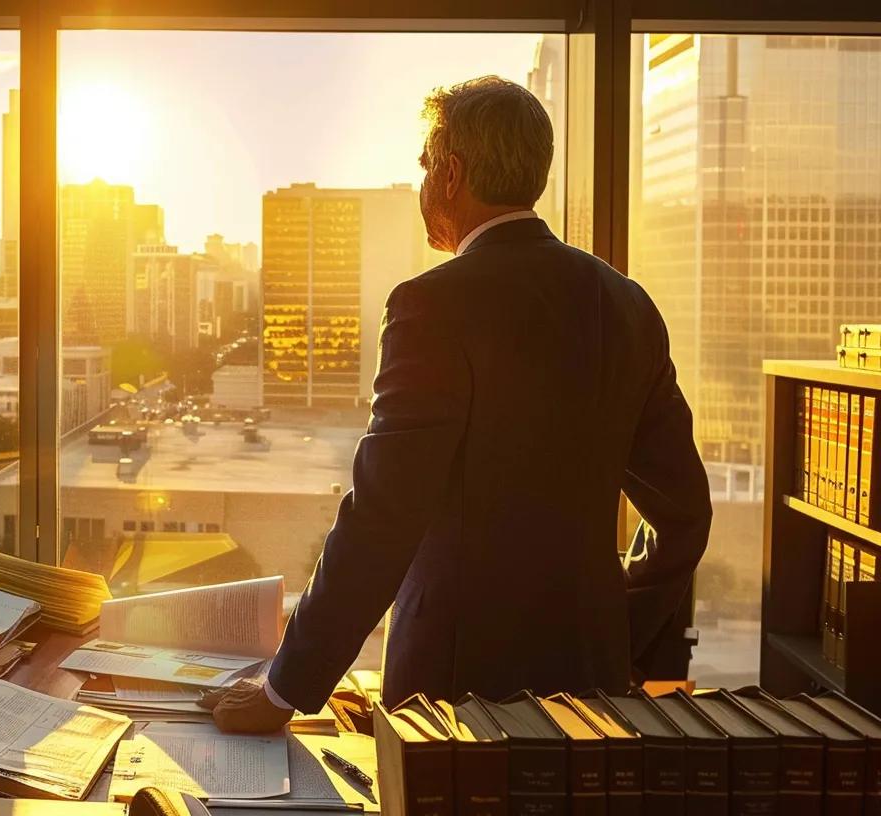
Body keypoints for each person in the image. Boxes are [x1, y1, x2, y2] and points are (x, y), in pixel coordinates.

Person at [201, 76, 712, 733]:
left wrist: (284, 690)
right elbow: (686, 515)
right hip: (592, 691)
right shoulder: (626, 305)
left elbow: (382, 516)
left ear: (450, 173)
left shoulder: (432, 305)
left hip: (454, 700)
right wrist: (616, 626)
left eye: (423, 166)